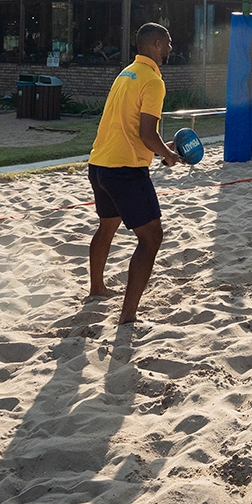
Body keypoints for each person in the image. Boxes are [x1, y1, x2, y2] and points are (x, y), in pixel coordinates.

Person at [86, 22, 183, 324]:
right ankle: (128, 315)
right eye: (168, 41)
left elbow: (128, 126)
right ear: (156, 45)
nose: (171, 47)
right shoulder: (153, 81)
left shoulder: (126, 73)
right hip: (124, 170)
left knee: (107, 226)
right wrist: (166, 155)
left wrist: (159, 147)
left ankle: (97, 288)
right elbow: (145, 132)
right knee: (152, 237)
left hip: (99, 163)